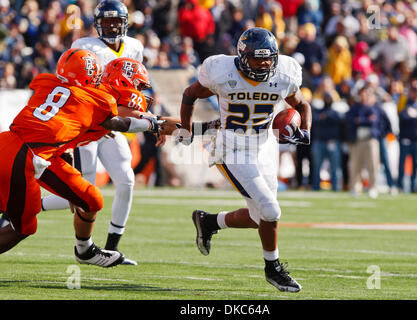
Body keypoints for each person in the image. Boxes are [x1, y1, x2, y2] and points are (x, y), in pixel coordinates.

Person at [178, 27, 312, 292]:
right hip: (232, 147)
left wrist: (304, 132)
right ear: (242, 56)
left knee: (258, 218)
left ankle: (208, 221)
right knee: (271, 211)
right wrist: (185, 128)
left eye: (268, 58)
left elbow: (302, 105)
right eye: (256, 58)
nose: (263, 64)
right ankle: (273, 269)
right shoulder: (222, 71)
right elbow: (190, 93)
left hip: (264, 146)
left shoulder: (284, 73)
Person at [0, 48, 162, 265]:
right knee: (24, 227)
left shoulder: (46, 83)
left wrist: (66, 157)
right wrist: (151, 123)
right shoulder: (95, 99)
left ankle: (85, 251)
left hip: (31, 149)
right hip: (26, 157)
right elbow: (120, 123)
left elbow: (60, 126)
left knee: (90, 198)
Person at [40, 0, 145, 265]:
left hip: (113, 123)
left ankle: (112, 246)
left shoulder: (135, 46)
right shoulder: (84, 46)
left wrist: (132, 114)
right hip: (88, 124)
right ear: (97, 24)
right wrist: (96, 119)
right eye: (107, 21)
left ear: (125, 23)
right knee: (82, 190)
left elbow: (134, 86)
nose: (111, 26)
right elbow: (72, 83)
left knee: (127, 180)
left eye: (116, 21)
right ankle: (30, 205)